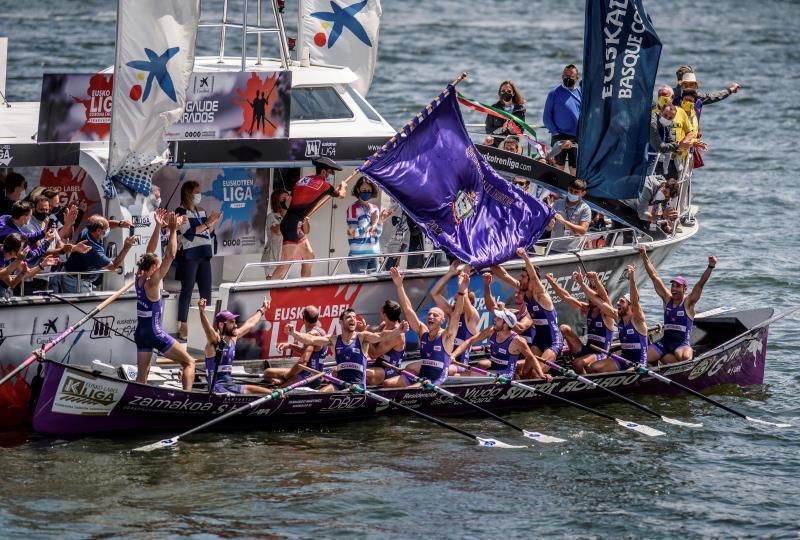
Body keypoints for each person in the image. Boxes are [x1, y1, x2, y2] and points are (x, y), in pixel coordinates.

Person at [134, 212, 197, 390]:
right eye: (157, 263)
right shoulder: (153, 282)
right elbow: (171, 255)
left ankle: (139, 400)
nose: (160, 263)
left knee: (142, 375)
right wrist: (173, 230)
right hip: (155, 333)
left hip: (141, 334)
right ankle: (187, 398)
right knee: (189, 362)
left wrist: (157, 226)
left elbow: (149, 252)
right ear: (154, 267)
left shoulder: (139, 277)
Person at [383, 267, 468, 388]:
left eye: (435, 315)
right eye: (429, 314)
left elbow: (456, 314)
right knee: (387, 383)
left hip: (437, 380)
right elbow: (408, 310)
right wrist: (399, 285)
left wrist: (461, 292)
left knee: (409, 390)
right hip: (422, 376)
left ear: (442, 320)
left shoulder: (446, 335)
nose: (431, 316)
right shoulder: (423, 332)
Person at [454, 274, 550, 380]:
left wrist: (541, 374)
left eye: (498, 319)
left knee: (471, 374)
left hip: (507, 374)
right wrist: (453, 355)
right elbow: (469, 342)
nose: (494, 319)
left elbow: (531, 358)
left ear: (506, 324)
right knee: (469, 371)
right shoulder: (491, 331)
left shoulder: (517, 341)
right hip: (494, 368)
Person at [287, 308, 408, 392]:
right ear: (341, 322)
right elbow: (311, 340)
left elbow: (382, 336)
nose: (352, 319)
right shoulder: (334, 340)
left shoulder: (363, 337)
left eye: (354, 317)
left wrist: (398, 331)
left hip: (357, 387)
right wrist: (294, 333)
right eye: (348, 317)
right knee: (321, 394)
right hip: (340, 385)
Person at [272, 157, 347, 280]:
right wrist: (343, 185)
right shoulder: (324, 185)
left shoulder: (302, 180)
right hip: (292, 224)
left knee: (309, 256)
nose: (331, 175)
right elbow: (342, 195)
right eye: (331, 172)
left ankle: (305, 287)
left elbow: (292, 201)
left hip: (293, 223)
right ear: (323, 172)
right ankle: (269, 294)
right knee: (286, 263)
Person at [639, 247, 716, 365]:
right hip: (665, 342)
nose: (673, 289)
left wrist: (710, 266)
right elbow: (654, 276)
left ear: (685, 289)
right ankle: (655, 368)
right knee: (643, 358)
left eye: (677, 286)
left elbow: (700, 284)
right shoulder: (667, 299)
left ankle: (675, 362)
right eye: (673, 286)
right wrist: (644, 256)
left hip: (681, 345)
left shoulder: (688, 303)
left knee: (685, 358)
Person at [492, 248, 563, 373]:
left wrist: (525, 256)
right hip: (538, 340)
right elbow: (503, 275)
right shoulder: (524, 292)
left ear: (530, 278)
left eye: (523, 276)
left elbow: (535, 278)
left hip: (553, 341)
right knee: (525, 373)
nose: (520, 279)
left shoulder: (541, 295)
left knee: (536, 373)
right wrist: (488, 261)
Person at [175, 181, 222, 340]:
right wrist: (207, 223)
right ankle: (183, 325)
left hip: (204, 252)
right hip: (189, 254)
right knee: (187, 290)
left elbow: (208, 232)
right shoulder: (180, 212)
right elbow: (188, 233)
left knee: (206, 290)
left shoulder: (201, 211)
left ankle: (206, 326)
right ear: (188, 193)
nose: (198, 195)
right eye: (196, 192)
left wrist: (213, 223)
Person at [580, 265, 649, 373]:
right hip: (623, 359)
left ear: (630, 306)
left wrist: (632, 279)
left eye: (622, 301)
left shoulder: (638, 320)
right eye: (618, 301)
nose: (617, 303)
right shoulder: (617, 317)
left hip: (639, 363)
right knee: (592, 367)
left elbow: (635, 301)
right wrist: (581, 283)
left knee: (627, 374)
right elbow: (598, 301)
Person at [546, 271, 616, 374]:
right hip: (587, 349)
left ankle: (585, 382)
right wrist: (551, 282)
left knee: (577, 363)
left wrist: (595, 280)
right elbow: (566, 296)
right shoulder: (587, 309)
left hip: (601, 353)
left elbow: (605, 297)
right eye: (590, 294)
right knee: (564, 328)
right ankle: (554, 353)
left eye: (594, 295)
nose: (590, 297)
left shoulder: (607, 314)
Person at [198, 297, 271, 395]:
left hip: (231, 386)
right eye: (231, 322)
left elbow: (250, 323)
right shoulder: (215, 342)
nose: (236, 325)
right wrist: (202, 311)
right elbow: (208, 330)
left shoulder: (233, 339)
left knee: (269, 392)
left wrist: (263, 309)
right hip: (217, 390)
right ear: (221, 325)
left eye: (235, 322)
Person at [57, 215, 135, 294]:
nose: (108, 229)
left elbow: (107, 224)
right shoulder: (93, 250)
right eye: (106, 229)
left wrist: (120, 224)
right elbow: (113, 266)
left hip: (74, 276)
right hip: (75, 282)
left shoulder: (88, 230)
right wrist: (126, 247)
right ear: (98, 231)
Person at [429, 261, 480, 374]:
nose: (454, 302)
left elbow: (464, 297)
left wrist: (462, 284)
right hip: (443, 361)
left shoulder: (471, 317)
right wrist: (450, 273)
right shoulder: (452, 313)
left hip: (459, 366)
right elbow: (434, 293)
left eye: (458, 300)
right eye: (455, 300)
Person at [264, 305, 329, 388]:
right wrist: (290, 345)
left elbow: (303, 362)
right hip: (310, 373)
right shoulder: (321, 331)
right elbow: (308, 352)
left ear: (303, 318)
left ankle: (280, 384)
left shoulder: (311, 335)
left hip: (311, 377)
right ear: (317, 318)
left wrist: (285, 378)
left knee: (278, 389)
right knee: (267, 372)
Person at [543, 64, 582, 174]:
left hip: (576, 137)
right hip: (559, 136)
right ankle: (555, 191)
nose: (567, 77)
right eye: (565, 75)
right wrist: (555, 133)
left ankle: (572, 190)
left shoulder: (581, 93)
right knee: (558, 166)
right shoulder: (553, 93)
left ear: (577, 77)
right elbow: (546, 116)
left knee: (574, 168)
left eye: (571, 75)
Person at [0, 234, 59, 299]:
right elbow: (2, 274)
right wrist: (18, 260)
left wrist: (42, 265)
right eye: (22, 248)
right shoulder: (12, 257)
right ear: (14, 250)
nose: (24, 251)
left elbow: (12, 283)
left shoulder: (15, 258)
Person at [364, 300, 407, 386]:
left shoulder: (398, 335)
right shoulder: (383, 325)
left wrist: (364, 335)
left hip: (390, 370)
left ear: (384, 315)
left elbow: (373, 354)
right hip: (379, 364)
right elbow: (374, 342)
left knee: (361, 374)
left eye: (381, 310)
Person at [345, 177, 382, 274]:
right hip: (358, 257)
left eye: (369, 190)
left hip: (374, 255)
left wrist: (380, 221)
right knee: (359, 287)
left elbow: (378, 233)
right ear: (358, 190)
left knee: (373, 288)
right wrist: (370, 223)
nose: (367, 192)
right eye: (364, 190)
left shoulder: (375, 208)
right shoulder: (353, 209)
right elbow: (353, 233)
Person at [673, 66, 741, 118]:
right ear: (680, 82)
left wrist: (730, 90)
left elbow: (713, 96)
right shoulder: (671, 96)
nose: (689, 87)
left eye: (692, 84)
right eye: (686, 84)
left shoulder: (697, 97)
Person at [546, 178, 591, 253]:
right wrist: (549, 224)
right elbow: (548, 228)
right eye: (570, 190)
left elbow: (582, 231)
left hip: (573, 251)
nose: (572, 193)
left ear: (583, 193)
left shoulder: (585, 209)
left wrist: (564, 222)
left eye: (576, 192)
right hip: (553, 249)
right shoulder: (557, 203)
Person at [484, 81, 526, 147]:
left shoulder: (520, 110)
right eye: (503, 91)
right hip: (496, 145)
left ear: (513, 93)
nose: (506, 93)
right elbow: (488, 129)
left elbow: (521, 131)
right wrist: (501, 129)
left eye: (509, 91)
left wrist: (512, 129)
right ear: (500, 93)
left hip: (512, 146)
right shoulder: (494, 109)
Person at [261, 189, 289, 278]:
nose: (287, 200)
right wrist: (285, 216)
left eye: (288, 198)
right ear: (277, 201)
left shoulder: (290, 216)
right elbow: (277, 231)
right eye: (283, 198)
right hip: (272, 256)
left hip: (285, 255)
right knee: (271, 283)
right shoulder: (271, 216)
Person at [382, 202, 409, 271]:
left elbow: (406, 241)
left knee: (392, 274)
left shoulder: (408, 219)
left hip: (396, 251)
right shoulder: (394, 209)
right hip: (386, 249)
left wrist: (399, 257)